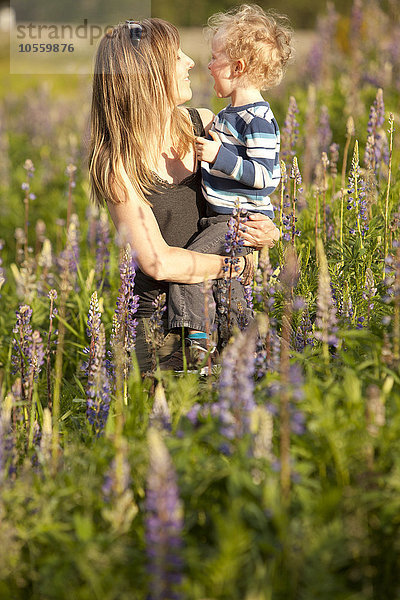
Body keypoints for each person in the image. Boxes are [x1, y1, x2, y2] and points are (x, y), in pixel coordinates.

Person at [89, 17, 279, 373]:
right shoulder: (119, 167)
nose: (190, 61)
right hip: (161, 328)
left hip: (222, 302)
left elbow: (248, 195)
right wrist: (234, 266)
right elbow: (158, 262)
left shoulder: (205, 124)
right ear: (147, 74)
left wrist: (268, 232)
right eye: (176, 56)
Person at [167, 4, 292, 360]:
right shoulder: (227, 116)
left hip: (234, 222)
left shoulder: (259, 119)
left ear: (238, 68)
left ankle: (195, 344)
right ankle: (262, 355)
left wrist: (218, 156)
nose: (206, 65)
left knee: (189, 268)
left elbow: (266, 177)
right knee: (231, 297)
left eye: (215, 58)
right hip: (221, 221)